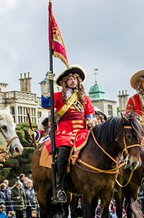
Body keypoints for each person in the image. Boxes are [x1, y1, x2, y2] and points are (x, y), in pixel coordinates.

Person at [41, 66, 98, 202]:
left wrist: (91, 119)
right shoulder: (59, 97)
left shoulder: (85, 98)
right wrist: (45, 87)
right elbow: (45, 103)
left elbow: (90, 112)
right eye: (70, 79)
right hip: (65, 131)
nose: (73, 81)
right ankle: (60, 187)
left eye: (75, 79)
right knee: (62, 153)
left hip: (83, 132)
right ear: (65, 82)